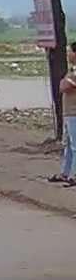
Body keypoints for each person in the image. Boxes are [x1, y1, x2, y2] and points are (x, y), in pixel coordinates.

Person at [51, 43, 76, 186]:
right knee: (68, 146)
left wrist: (63, 82)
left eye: (70, 52)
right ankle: (66, 173)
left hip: (74, 113)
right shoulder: (72, 70)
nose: (68, 55)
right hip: (69, 113)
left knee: (75, 146)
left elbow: (64, 86)